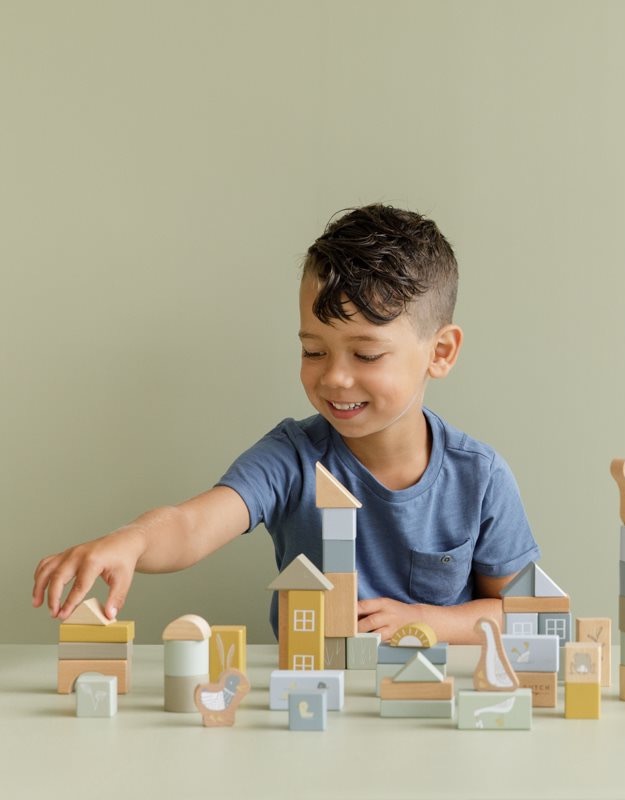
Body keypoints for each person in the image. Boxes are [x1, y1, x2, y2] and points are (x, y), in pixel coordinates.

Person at [32, 204, 540, 644]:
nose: (335, 377)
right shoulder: (292, 458)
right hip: (315, 699)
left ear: (440, 352)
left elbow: (525, 613)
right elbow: (193, 525)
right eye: (313, 351)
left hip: (432, 704)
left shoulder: (480, 477)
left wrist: (427, 621)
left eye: (366, 354)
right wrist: (133, 540)